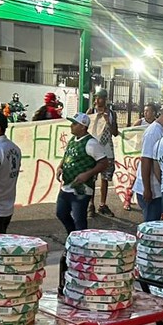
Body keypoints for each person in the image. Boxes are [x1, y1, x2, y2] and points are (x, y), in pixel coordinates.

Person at [55, 113, 109, 233]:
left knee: (79, 220)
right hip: (67, 185)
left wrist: (88, 174)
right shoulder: (73, 140)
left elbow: (104, 163)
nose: (71, 126)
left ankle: (80, 239)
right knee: (61, 213)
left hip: (82, 189)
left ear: (83, 127)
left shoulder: (91, 143)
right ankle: (72, 235)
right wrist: (60, 166)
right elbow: (67, 155)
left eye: (75, 124)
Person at [132, 103, 163, 222]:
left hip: (156, 189)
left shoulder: (162, 130)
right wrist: (147, 189)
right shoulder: (154, 132)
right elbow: (146, 160)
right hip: (151, 189)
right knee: (151, 224)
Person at [88, 88, 119, 218]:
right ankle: (91, 205)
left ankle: (102, 204)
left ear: (105, 99)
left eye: (99, 98)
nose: (97, 100)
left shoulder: (111, 113)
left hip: (107, 150)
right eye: (96, 98)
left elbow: (115, 133)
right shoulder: (91, 112)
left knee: (105, 178)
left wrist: (108, 121)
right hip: (93, 150)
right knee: (91, 179)